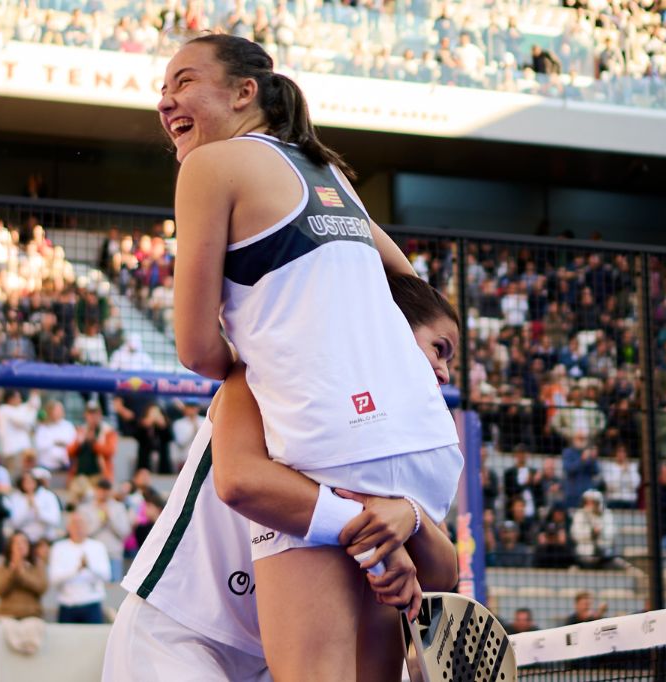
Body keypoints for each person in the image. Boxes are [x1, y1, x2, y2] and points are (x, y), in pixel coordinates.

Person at [163, 34, 464, 678]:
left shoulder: (211, 166)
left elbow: (195, 348)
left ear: (244, 93)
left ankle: (378, 533)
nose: (165, 102)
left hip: (330, 445)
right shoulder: (332, 175)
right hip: (426, 445)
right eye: (163, 90)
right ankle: (393, 535)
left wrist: (257, 367)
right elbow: (411, 287)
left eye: (184, 82)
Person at [105, 274, 461, 681]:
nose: (445, 373)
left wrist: (410, 516)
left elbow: (441, 573)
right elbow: (240, 483)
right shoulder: (265, 376)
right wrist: (366, 523)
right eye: (439, 349)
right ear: (387, 326)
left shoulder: (401, 440)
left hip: (271, 656)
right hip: (179, 626)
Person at [48, 510, 111, 624]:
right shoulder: (59, 548)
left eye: (81, 524)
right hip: (67, 604)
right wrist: (76, 569)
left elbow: (106, 575)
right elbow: (54, 578)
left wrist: (89, 566)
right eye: (75, 524)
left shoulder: (98, 547)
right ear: (68, 527)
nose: (78, 528)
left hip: (92, 603)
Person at [79, 479, 132, 581]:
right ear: (95, 490)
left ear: (110, 491)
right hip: (92, 554)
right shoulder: (85, 508)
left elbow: (125, 532)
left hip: (113, 554)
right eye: (100, 490)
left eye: (106, 490)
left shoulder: (119, 507)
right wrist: (100, 522)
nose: (103, 493)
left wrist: (110, 519)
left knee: (113, 587)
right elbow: (83, 533)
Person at [0, 532, 49, 620]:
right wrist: (13, 571)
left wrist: (22, 573)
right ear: (10, 547)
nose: (20, 546)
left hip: (32, 616)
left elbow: (41, 587)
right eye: (17, 543)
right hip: (6, 615)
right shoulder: (2, 567)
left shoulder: (38, 566)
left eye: (24, 542)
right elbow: (0, 589)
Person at [67, 401, 118, 481]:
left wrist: (94, 442)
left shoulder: (107, 431)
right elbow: (69, 452)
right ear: (85, 415)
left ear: (100, 414)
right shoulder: (80, 430)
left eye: (95, 413)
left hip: (100, 475)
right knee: (80, 483)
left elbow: (110, 451)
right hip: (80, 475)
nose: (93, 417)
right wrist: (79, 442)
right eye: (90, 413)